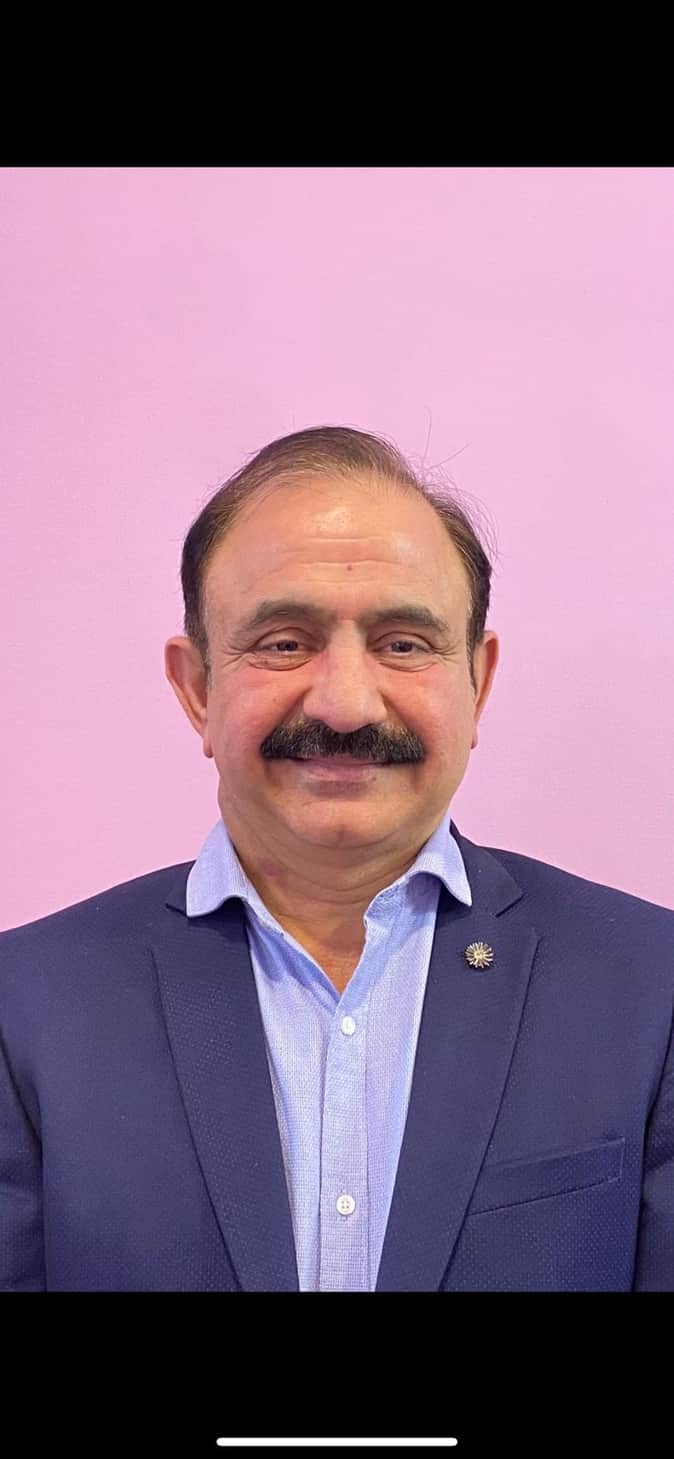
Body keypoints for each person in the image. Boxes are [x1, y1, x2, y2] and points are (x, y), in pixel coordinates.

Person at [1, 425, 672, 1292]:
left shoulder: (652, 990)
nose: (347, 703)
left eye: (404, 643)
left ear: (478, 682)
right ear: (197, 688)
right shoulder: (25, 1007)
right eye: (284, 641)